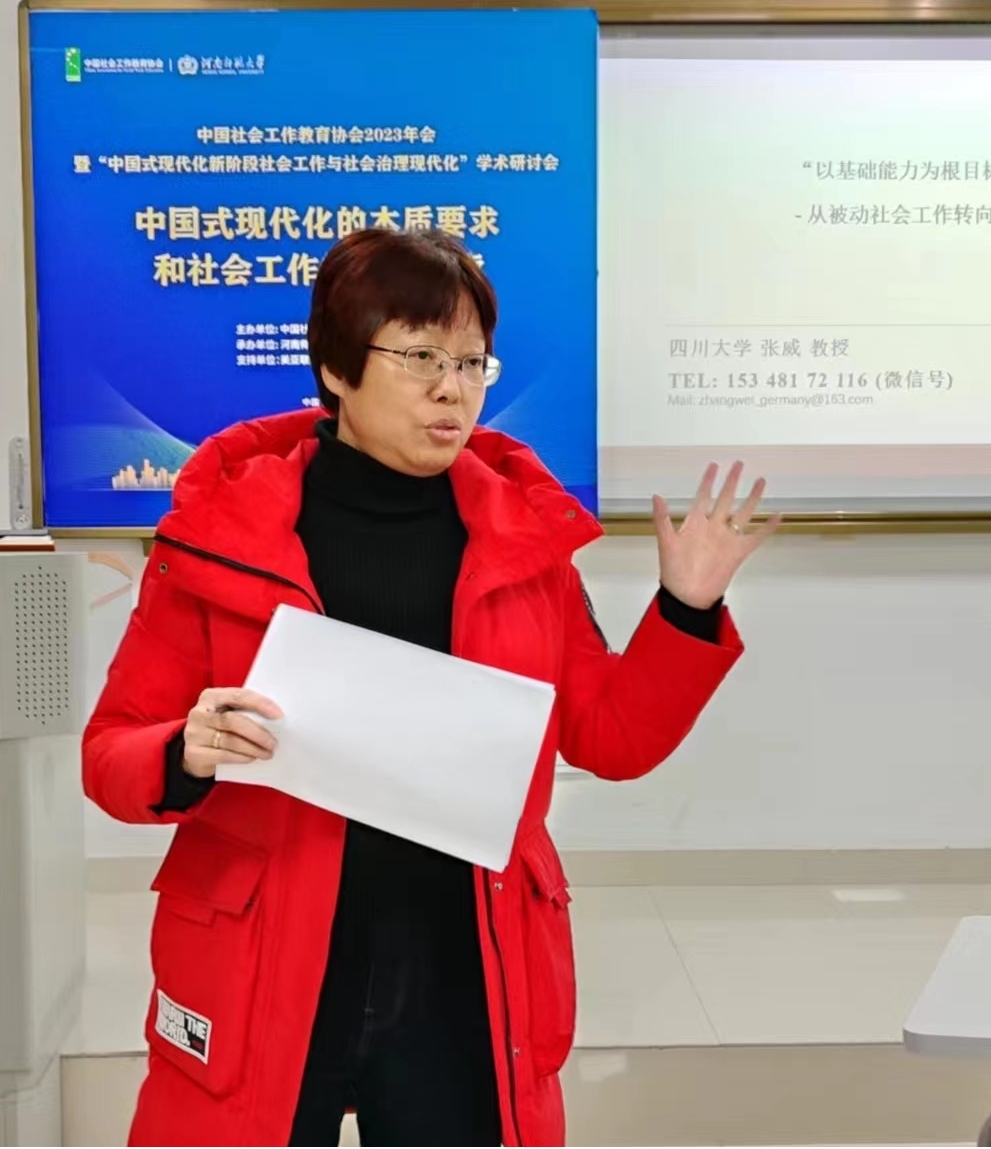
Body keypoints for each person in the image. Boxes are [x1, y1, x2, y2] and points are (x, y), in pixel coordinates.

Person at [83, 228, 777, 1147]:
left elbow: (611, 737)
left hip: (466, 958)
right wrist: (184, 751)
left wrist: (686, 610)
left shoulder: (521, 544)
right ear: (336, 368)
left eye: (471, 361)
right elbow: (110, 752)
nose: (453, 388)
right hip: (265, 949)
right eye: (420, 357)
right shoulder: (221, 537)